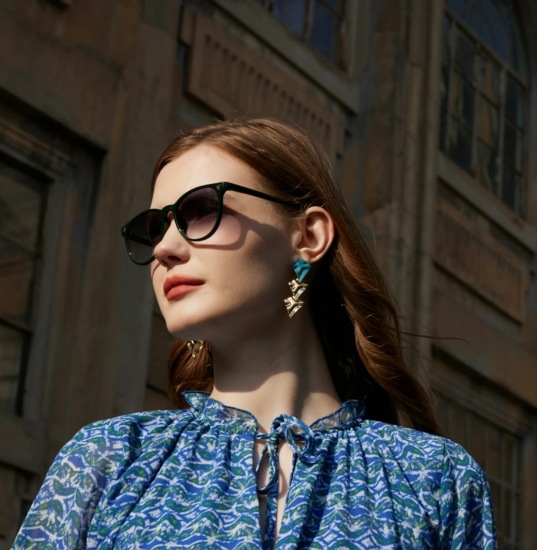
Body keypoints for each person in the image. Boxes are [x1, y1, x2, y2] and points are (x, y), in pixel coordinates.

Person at [13, 118, 496, 549]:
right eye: (153, 227)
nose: (164, 248)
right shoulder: (108, 461)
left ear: (308, 237)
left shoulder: (433, 479)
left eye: (201, 210)